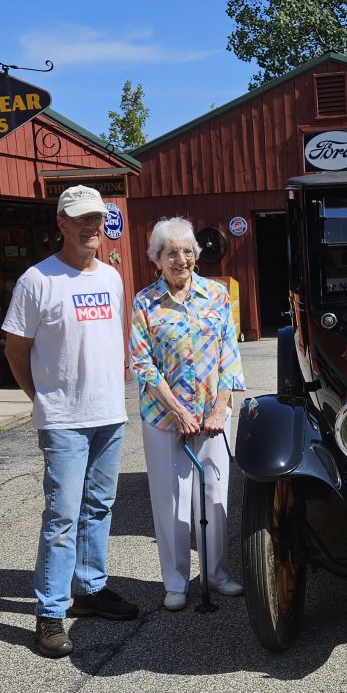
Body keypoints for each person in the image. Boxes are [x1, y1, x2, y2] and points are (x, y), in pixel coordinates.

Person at [3, 185, 138, 659]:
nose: (91, 227)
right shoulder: (38, 280)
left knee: (98, 507)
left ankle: (90, 589)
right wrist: (39, 398)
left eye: (97, 219)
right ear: (60, 222)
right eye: (81, 218)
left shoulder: (113, 278)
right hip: (63, 420)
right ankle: (50, 612)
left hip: (109, 414)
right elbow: (15, 348)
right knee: (61, 516)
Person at [128, 217, 245, 611]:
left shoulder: (217, 295)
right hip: (164, 417)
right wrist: (177, 410)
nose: (181, 259)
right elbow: (142, 364)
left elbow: (230, 354)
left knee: (213, 496)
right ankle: (175, 581)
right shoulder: (145, 301)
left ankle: (216, 573)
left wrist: (219, 407)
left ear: (197, 254)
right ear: (156, 259)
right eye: (171, 252)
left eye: (187, 251)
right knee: (170, 500)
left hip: (212, 417)